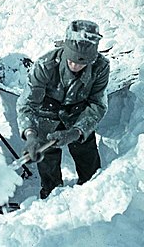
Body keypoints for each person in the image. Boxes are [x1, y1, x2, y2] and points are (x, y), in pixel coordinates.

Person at [17, 20, 110, 199]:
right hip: (47, 115)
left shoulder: (101, 67)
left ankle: (93, 199)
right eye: (72, 60)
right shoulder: (45, 65)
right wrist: (30, 135)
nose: (75, 66)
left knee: (89, 166)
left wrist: (76, 132)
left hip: (79, 117)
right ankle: (52, 199)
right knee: (47, 161)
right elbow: (27, 104)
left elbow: (97, 105)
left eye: (82, 62)